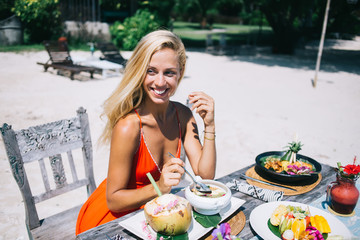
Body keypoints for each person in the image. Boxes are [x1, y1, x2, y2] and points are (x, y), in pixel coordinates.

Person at [75, 30, 216, 235]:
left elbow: (205, 175)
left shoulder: (183, 115)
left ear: (180, 73)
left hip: (158, 212)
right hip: (114, 220)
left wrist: (210, 126)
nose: (160, 82)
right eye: (151, 71)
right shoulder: (128, 126)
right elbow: (113, 200)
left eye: (169, 72)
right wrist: (159, 186)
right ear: (140, 72)